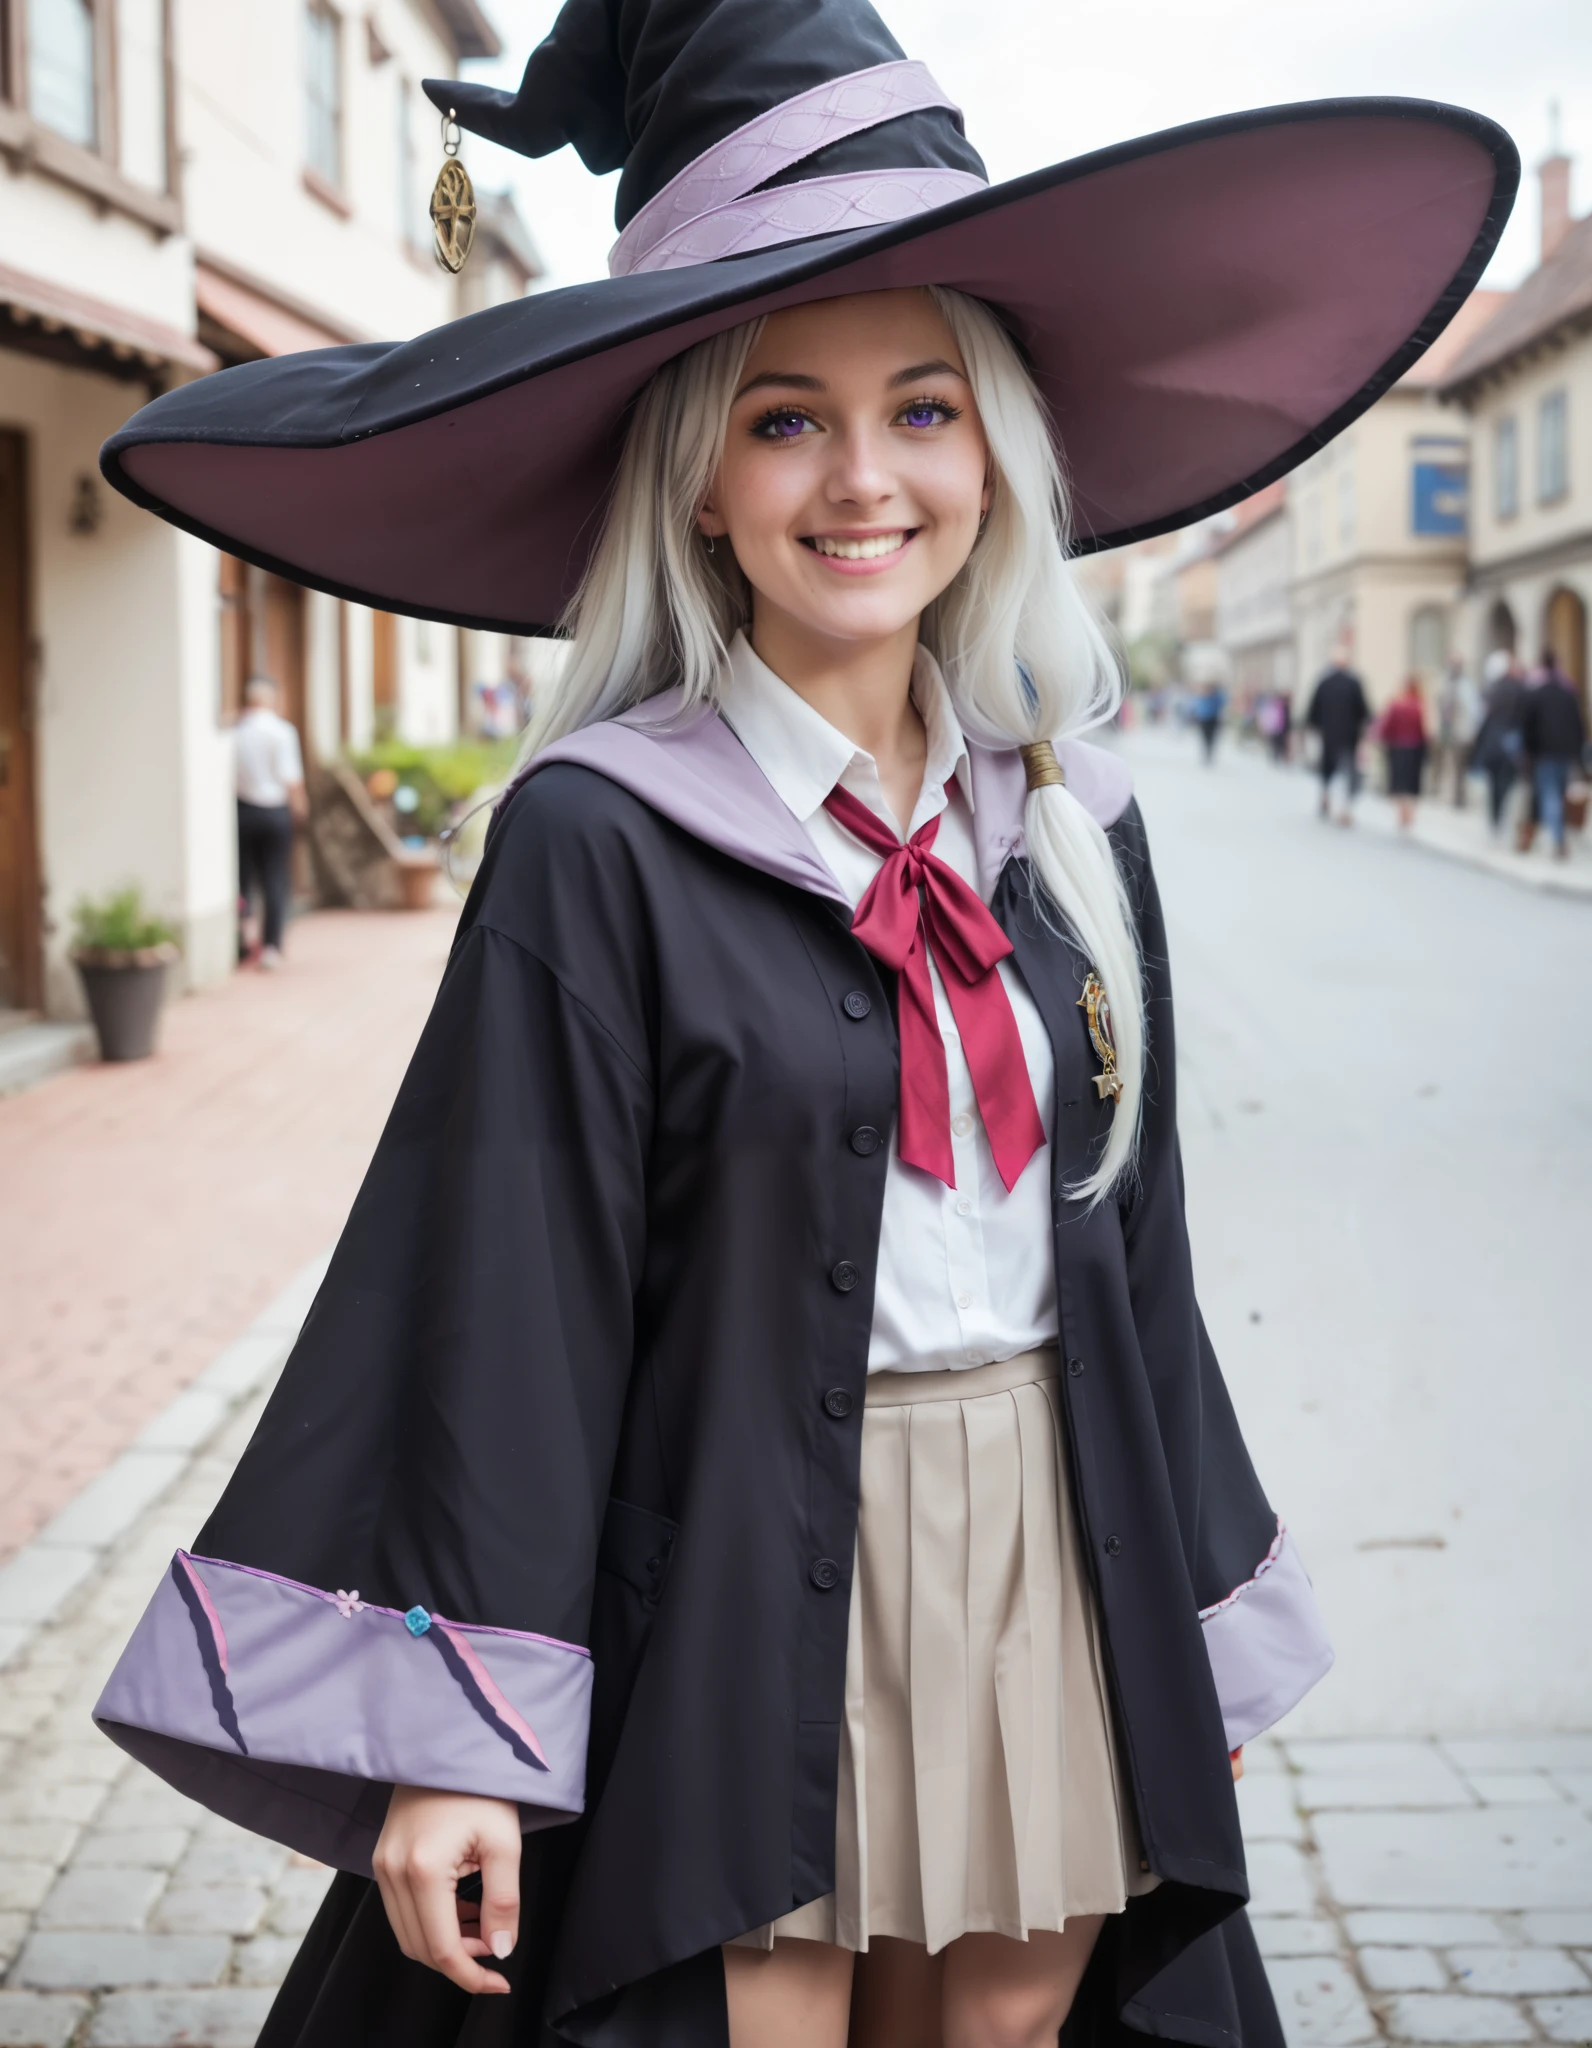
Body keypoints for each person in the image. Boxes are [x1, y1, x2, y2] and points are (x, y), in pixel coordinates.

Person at [87, 2, 1512, 2043]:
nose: (865, 479)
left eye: (924, 410)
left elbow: (1136, 1253)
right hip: (735, 1552)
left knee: (1014, 2025)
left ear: (999, 456)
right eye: (784, 419)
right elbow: (505, 1300)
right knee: (744, 2018)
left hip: (1040, 1518)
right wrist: (452, 1723)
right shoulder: (601, 834)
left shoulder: (1078, 826)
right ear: (693, 481)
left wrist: (1179, 1595)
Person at [233, 676, 305, 968]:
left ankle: (241, 939)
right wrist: (300, 810)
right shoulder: (282, 731)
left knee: (242, 879)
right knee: (275, 878)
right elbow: (291, 779)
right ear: (272, 698)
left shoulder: (235, 731)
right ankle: (271, 946)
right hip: (274, 811)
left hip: (242, 810)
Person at [1520, 650, 1587, 859]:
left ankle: (1558, 839)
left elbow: (1527, 726)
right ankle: (1555, 836)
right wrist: (1578, 753)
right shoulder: (1568, 693)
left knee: (1549, 795)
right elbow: (1579, 726)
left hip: (1545, 753)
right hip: (1565, 754)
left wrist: (1529, 751)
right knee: (1557, 794)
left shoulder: (1537, 693)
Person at [1305, 652, 1372, 823]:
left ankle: (1327, 796)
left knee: (1328, 770)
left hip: (1328, 735)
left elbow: (1313, 710)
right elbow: (1364, 711)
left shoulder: (1324, 682)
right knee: (1347, 772)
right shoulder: (1353, 683)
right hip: (1349, 736)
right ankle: (1344, 809)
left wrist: (1314, 727)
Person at [1471, 648, 1527, 835]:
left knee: (1494, 785)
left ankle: (1495, 819)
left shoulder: (1492, 689)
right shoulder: (1520, 689)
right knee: (1505, 783)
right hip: (1509, 745)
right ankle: (1500, 818)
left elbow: (1482, 719)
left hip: (1493, 745)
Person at [1378, 676, 1428, 831]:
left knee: (1399, 782)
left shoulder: (1396, 704)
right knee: (1411, 782)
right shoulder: (1419, 705)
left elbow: (1387, 726)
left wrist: (1385, 740)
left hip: (1398, 747)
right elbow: (1423, 729)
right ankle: (1410, 813)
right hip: (1414, 747)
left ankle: (1402, 813)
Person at [1435, 656, 1479, 807]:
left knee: (1459, 766)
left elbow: (1472, 710)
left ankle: (1458, 797)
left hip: (1460, 732)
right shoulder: (1444, 682)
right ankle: (1440, 792)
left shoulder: (1466, 686)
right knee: (1441, 763)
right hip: (1444, 729)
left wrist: (1471, 732)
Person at [1188, 680, 1226, 764]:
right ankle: (1206, 753)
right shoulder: (1202, 697)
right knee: (1204, 737)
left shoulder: (1217, 697)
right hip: (1203, 720)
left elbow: (1223, 703)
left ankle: (1209, 752)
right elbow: (1197, 707)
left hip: (1213, 720)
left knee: (1211, 738)